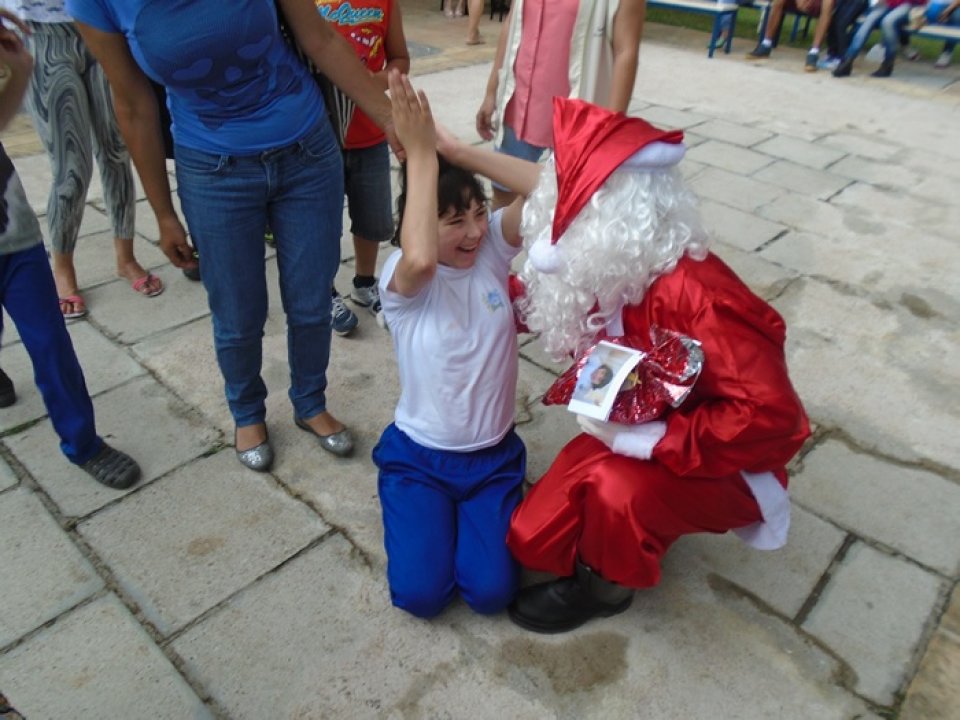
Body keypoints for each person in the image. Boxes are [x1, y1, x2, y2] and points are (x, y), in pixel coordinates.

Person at [500, 98, 810, 634]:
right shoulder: (603, 264)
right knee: (534, 537)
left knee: (620, 495)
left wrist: (657, 442)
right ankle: (641, 523)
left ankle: (607, 589)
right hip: (631, 430)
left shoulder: (699, 295)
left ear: (621, 215)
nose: (559, 229)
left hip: (725, 456)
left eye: (577, 211)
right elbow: (531, 298)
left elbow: (772, 416)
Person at [65, 0, 400, 471]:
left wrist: (390, 118)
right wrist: (162, 213)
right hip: (212, 168)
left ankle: (310, 402)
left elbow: (320, 38)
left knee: (310, 299)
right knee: (237, 311)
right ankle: (247, 412)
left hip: (306, 148)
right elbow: (133, 103)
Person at [372, 72, 540, 619]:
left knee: (491, 594)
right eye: (452, 220)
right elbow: (421, 258)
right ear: (420, 221)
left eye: (475, 214)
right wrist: (419, 158)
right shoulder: (403, 280)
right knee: (421, 596)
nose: (472, 231)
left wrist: (452, 149)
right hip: (420, 459)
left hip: (490, 459)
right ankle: (420, 508)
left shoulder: (488, 253)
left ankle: (482, 511)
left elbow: (553, 189)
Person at [0, 10, 140, 490]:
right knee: (72, 169)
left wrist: (18, 70)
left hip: (14, 238)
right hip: (51, 34)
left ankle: (83, 442)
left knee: (50, 342)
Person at [0, 0, 162, 320]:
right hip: (41, 32)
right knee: (71, 168)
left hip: (100, 21)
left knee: (117, 151)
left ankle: (125, 257)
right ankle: (63, 268)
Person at [475, 0, 645, 209]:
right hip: (520, 105)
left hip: (581, 116)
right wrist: (492, 91)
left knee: (572, 206)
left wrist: (612, 126)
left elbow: (626, 51)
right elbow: (512, 23)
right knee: (503, 192)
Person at [309, 0, 410, 336]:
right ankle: (322, 292)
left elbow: (401, 60)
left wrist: (369, 79)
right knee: (320, 224)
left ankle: (365, 284)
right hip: (317, 138)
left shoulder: (385, 3)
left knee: (374, 219)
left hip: (370, 136)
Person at [832, 0, 925, 77]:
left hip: (908, 4)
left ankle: (888, 64)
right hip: (888, 3)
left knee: (888, 22)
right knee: (869, 20)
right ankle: (848, 61)